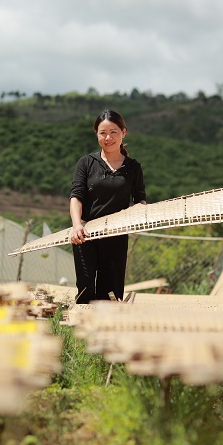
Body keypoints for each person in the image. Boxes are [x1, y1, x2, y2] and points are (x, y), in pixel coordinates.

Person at [69, 109, 146, 304]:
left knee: (110, 295)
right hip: (85, 235)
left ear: (123, 132)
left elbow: (140, 200)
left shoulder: (133, 168)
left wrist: (138, 213)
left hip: (116, 236)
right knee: (85, 291)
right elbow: (76, 196)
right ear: (97, 134)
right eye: (103, 133)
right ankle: (81, 332)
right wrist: (77, 225)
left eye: (113, 132)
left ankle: (107, 332)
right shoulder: (86, 163)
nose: (108, 137)